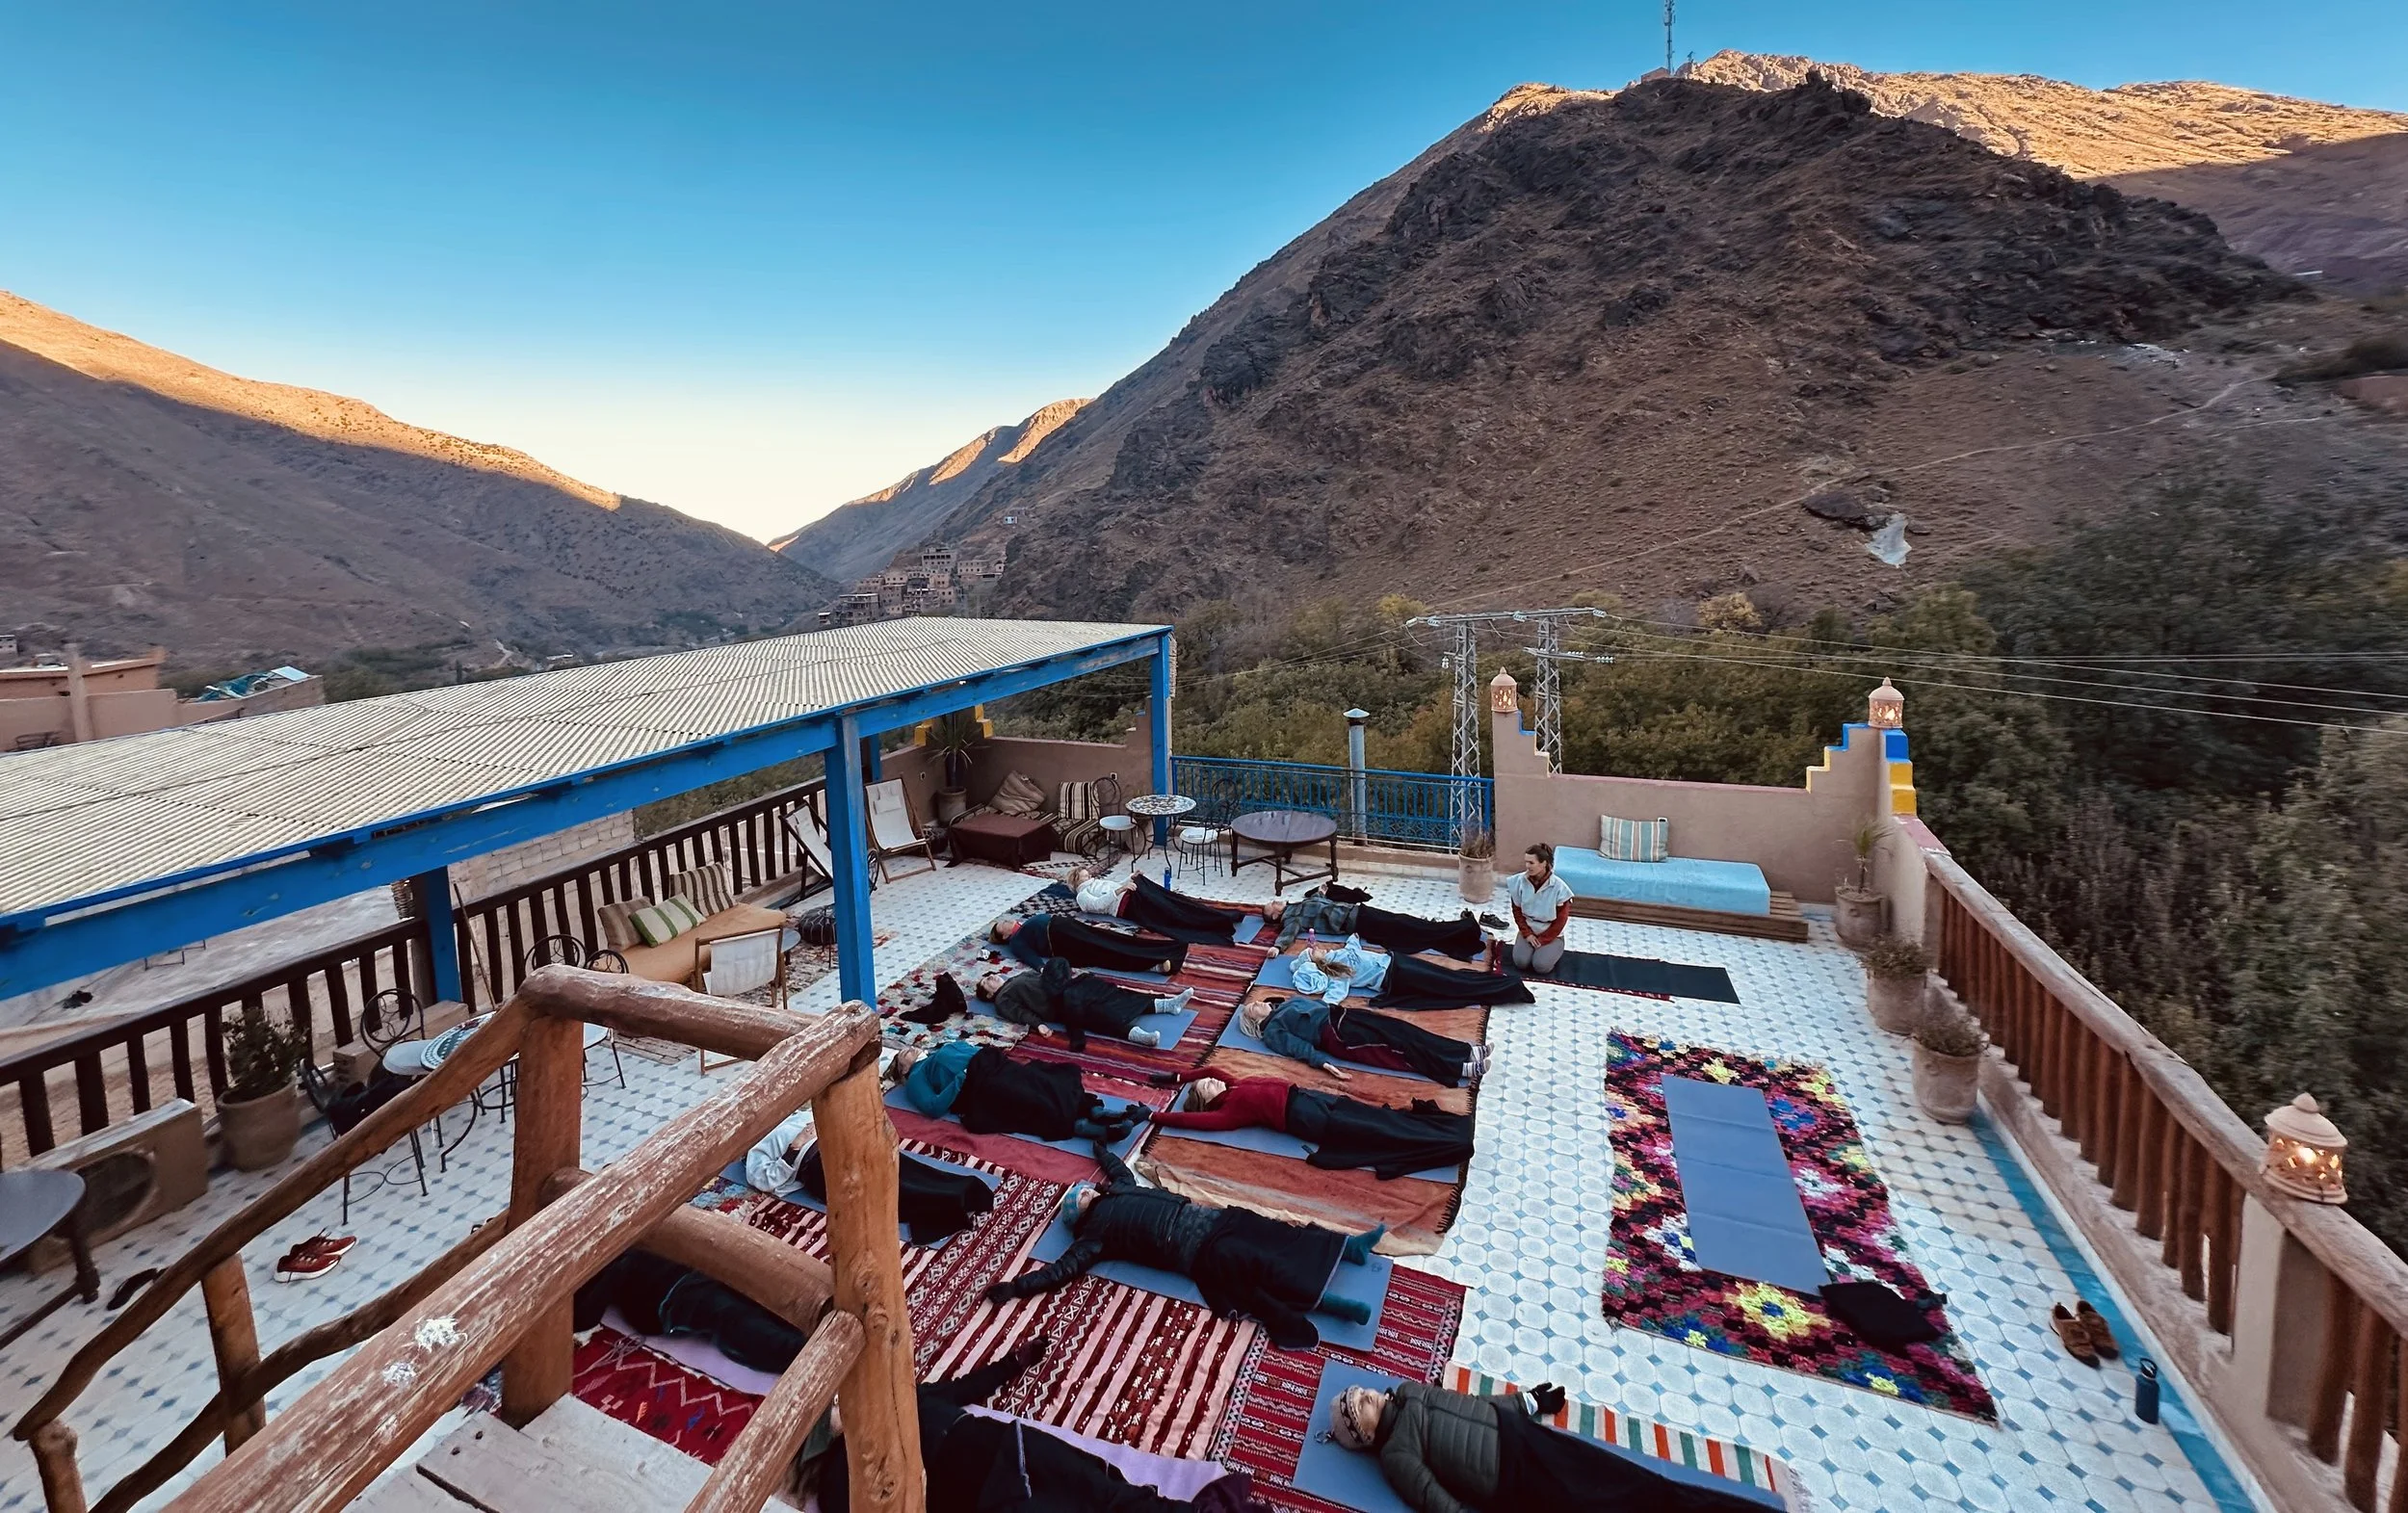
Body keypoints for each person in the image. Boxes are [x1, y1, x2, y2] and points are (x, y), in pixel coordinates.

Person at [982, 1140, 1385, 1349]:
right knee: (1266, 1270)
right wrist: (1017, 1287)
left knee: (1277, 1231)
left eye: (1086, 1188)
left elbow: (1117, 1167)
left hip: (1208, 1217)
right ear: (1078, 1212)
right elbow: (1062, 1271)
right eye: (1082, 1195)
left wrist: (1100, 1147)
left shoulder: (1117, 1190)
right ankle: (1340, 1307)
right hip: (1196, 1251)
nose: (1088, 1190)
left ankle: (1351, 1249)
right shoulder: (1093, 1238)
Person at [809, 1336, 1267, 1513]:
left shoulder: (898, 1399)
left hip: (1005, 1444)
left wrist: (1013, 1362)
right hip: (981, 1492)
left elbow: (963, 1389)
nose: (841, 1410)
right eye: (832, 1414)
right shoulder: (839, 1475)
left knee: (1109, 1492)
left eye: (838, 1403)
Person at [1327, 1379, 1765, 1512]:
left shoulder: (1409, 1392)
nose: (1365, 1393)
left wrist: (1527, 1402)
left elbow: (1476, 1405)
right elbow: (1436, 1502)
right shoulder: (1395, 1454)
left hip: (1526, 1437)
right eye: (1357, 1404)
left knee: (1636, 1481)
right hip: (1517, 1478)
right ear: (1363, 1434)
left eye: (1360, 1389)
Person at [1153, 1070, 1475, 1180]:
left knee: (1382, 1118)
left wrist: (1179, 1078)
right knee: (1380, 1133)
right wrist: (1155, 1116)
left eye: (1207, 1081)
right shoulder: (1227, 1113)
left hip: (1316, 1098)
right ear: (1205, 1102)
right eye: (1203, 1088)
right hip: (1310, 1119)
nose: (1209, 1081)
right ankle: (1450, 1144)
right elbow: (1189, 1121)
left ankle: (1449, 1129)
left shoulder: (1232, 1083)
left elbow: (1207, 1068)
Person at [890, 1041, 1144, 1144]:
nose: (907, 1049)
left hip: (991, 1064)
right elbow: (934, 1107)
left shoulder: (939, 1049)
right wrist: (961, 1078)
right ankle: (1096, 1129)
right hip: (977, 1086)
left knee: (1045, 1078)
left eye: (906, 1047)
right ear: (902, 1069)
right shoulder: (916, 1079)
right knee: (1028, 1100)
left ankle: (1098, 1111)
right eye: (902, 1055)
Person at [1238, 996, 1486, 1089]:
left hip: (1344, 1015)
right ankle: (1458, 1068)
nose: (1256, 1004)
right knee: (1397, 1047)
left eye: (1254, 1002)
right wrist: (1324, 1064)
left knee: (1405, 1029)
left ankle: (1466, 1051)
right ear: (1253, 1022)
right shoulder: (1273, 1031)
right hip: (1336, 1035)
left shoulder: (1284, 1004)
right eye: (1251, 1010)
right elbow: (1298, 1048)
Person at [975, 954, 1194, 1050]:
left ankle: (1168, 1005)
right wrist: (1038, 1024)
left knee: (1113, 993)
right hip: (1059, 1003)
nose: (991, 977)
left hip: (1067, 986)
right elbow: (1018, 1013)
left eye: (990, 975)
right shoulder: (1003, 999)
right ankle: (1140, 1036)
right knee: (1098, 1013)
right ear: (989, 995)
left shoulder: (1015, 978)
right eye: (987, 982)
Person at [1265, 893, 1494, 960]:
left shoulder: (1297, 903)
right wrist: (1278, 947)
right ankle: (1463, 931)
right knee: (1407, 927)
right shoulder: (1290, 917)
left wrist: (1323, 891)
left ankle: (1460, 932)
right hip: (1356, 921)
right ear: (1275, 916)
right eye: (1272, 905)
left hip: (1359, 912)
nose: (1275, 901)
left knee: (1407, 922)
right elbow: (1288, 934)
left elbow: (1318, 901)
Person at [1071, 869, 1245, 945]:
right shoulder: (1082, 896)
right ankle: (1216, 922)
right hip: (1128, 904)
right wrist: (1122, 888)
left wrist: (1131, 878)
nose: (1090, 877)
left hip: (1131, 894)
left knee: (1175, 900)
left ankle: (1222, 916)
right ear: (1077, 880)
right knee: (1172, 911)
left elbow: (1115, 886)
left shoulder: (1097, 883)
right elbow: (1098, 904)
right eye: (1085, 876)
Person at [992, 910, 1188, 976]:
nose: (1007, 921)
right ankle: (1154, 965)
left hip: (1066, 927)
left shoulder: (1024, 924)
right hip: (1062, 940)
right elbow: (1029, 956)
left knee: (1112, 939)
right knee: (1106, 951)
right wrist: (1043, 969)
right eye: (1002, 926)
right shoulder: (1016, 942)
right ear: (1004, 936)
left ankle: (1167, 949)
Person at [1503, 842, 1575, 975]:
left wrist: (1544, 940)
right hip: (1529, 929)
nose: (1527, 866)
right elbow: (1517, 911)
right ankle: (1531, 947)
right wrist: (1527, 934)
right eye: (1526, 862)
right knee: (1521, 962)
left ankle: (1554, 949)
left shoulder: (1560, 888)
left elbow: (1561, 921)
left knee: (1540, 966)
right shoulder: (1518, 882)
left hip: (1551, 933)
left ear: (1544, 864)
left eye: (1531, 863)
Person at [1290, 937, 1389, 1004]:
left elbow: (1351, 950)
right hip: (1387, 975)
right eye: (1313, 952)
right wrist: (1324, 1005)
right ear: (1314, 962)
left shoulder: (1335, 955)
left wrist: (1353, 938)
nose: (1316, 948)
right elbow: (1337, 991)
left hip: (1388, 959)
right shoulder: (1333, 970)